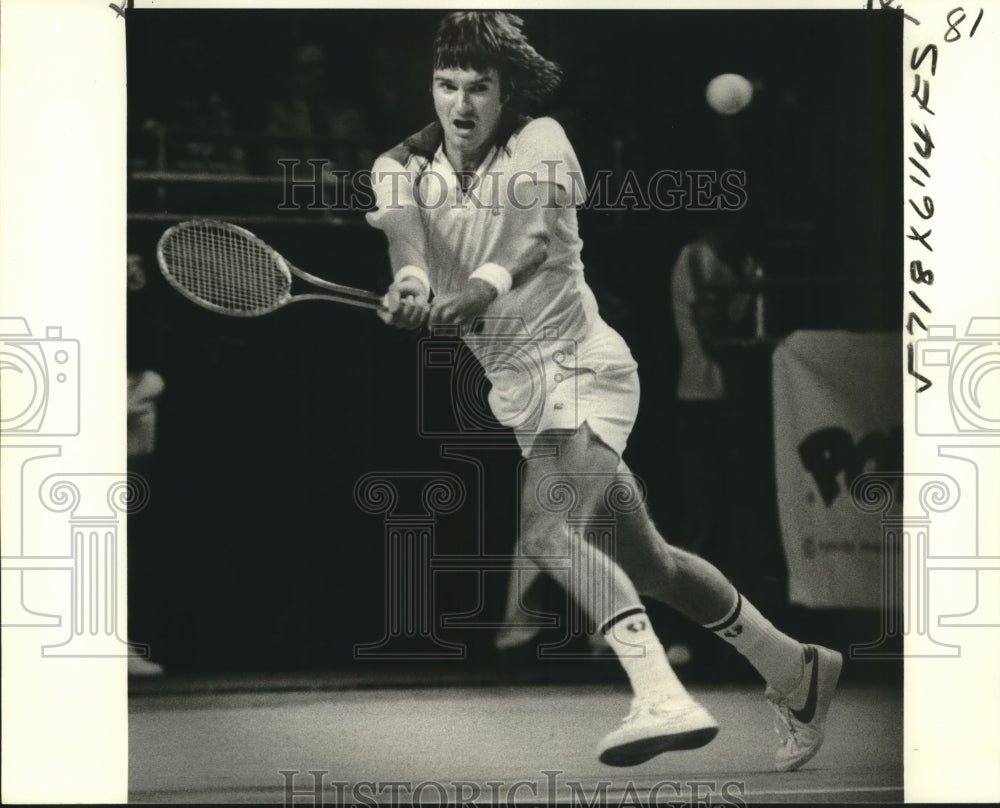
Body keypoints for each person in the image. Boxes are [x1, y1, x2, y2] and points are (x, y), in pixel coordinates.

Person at [366, 11, 840, 771]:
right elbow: (406, 243)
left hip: (584, 366)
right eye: (446, 84)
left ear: (504, 89)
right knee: (653, 565)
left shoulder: (541, 140)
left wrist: (480, 290)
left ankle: (659, 693)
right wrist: (412, 288)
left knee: (549, 536)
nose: (460, 105)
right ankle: (796, 667)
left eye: (478, 87)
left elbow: (534, 239)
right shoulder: (397, 166)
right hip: (523, 392)